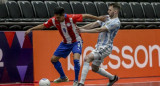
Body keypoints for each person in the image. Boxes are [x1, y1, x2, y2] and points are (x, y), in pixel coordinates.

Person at [25, 7, 106, 86]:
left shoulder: (71, 18)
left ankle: (76, 81)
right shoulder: (54, 20)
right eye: (56, 17)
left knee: (76, 60)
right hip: (65, 43)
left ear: (63, 15)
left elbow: (85, 15)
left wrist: (98, 18)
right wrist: (31, 29)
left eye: (59, 17)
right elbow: (43, 26)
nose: (57, 19)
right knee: (53, 59)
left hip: (76, 41)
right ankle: (63, 77)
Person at [77, 3, 121, 86]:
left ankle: (81, 83)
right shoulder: (107, 17)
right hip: (99, 47)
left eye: (110, 10)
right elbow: (94, 24)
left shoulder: (116, 22)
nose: (108, 11)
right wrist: (81, 28)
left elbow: (100, 30)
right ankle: (113, 78)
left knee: (87, 58)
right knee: (94, 68)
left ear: (115, 11)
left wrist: (84, 31)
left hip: (105, 48)